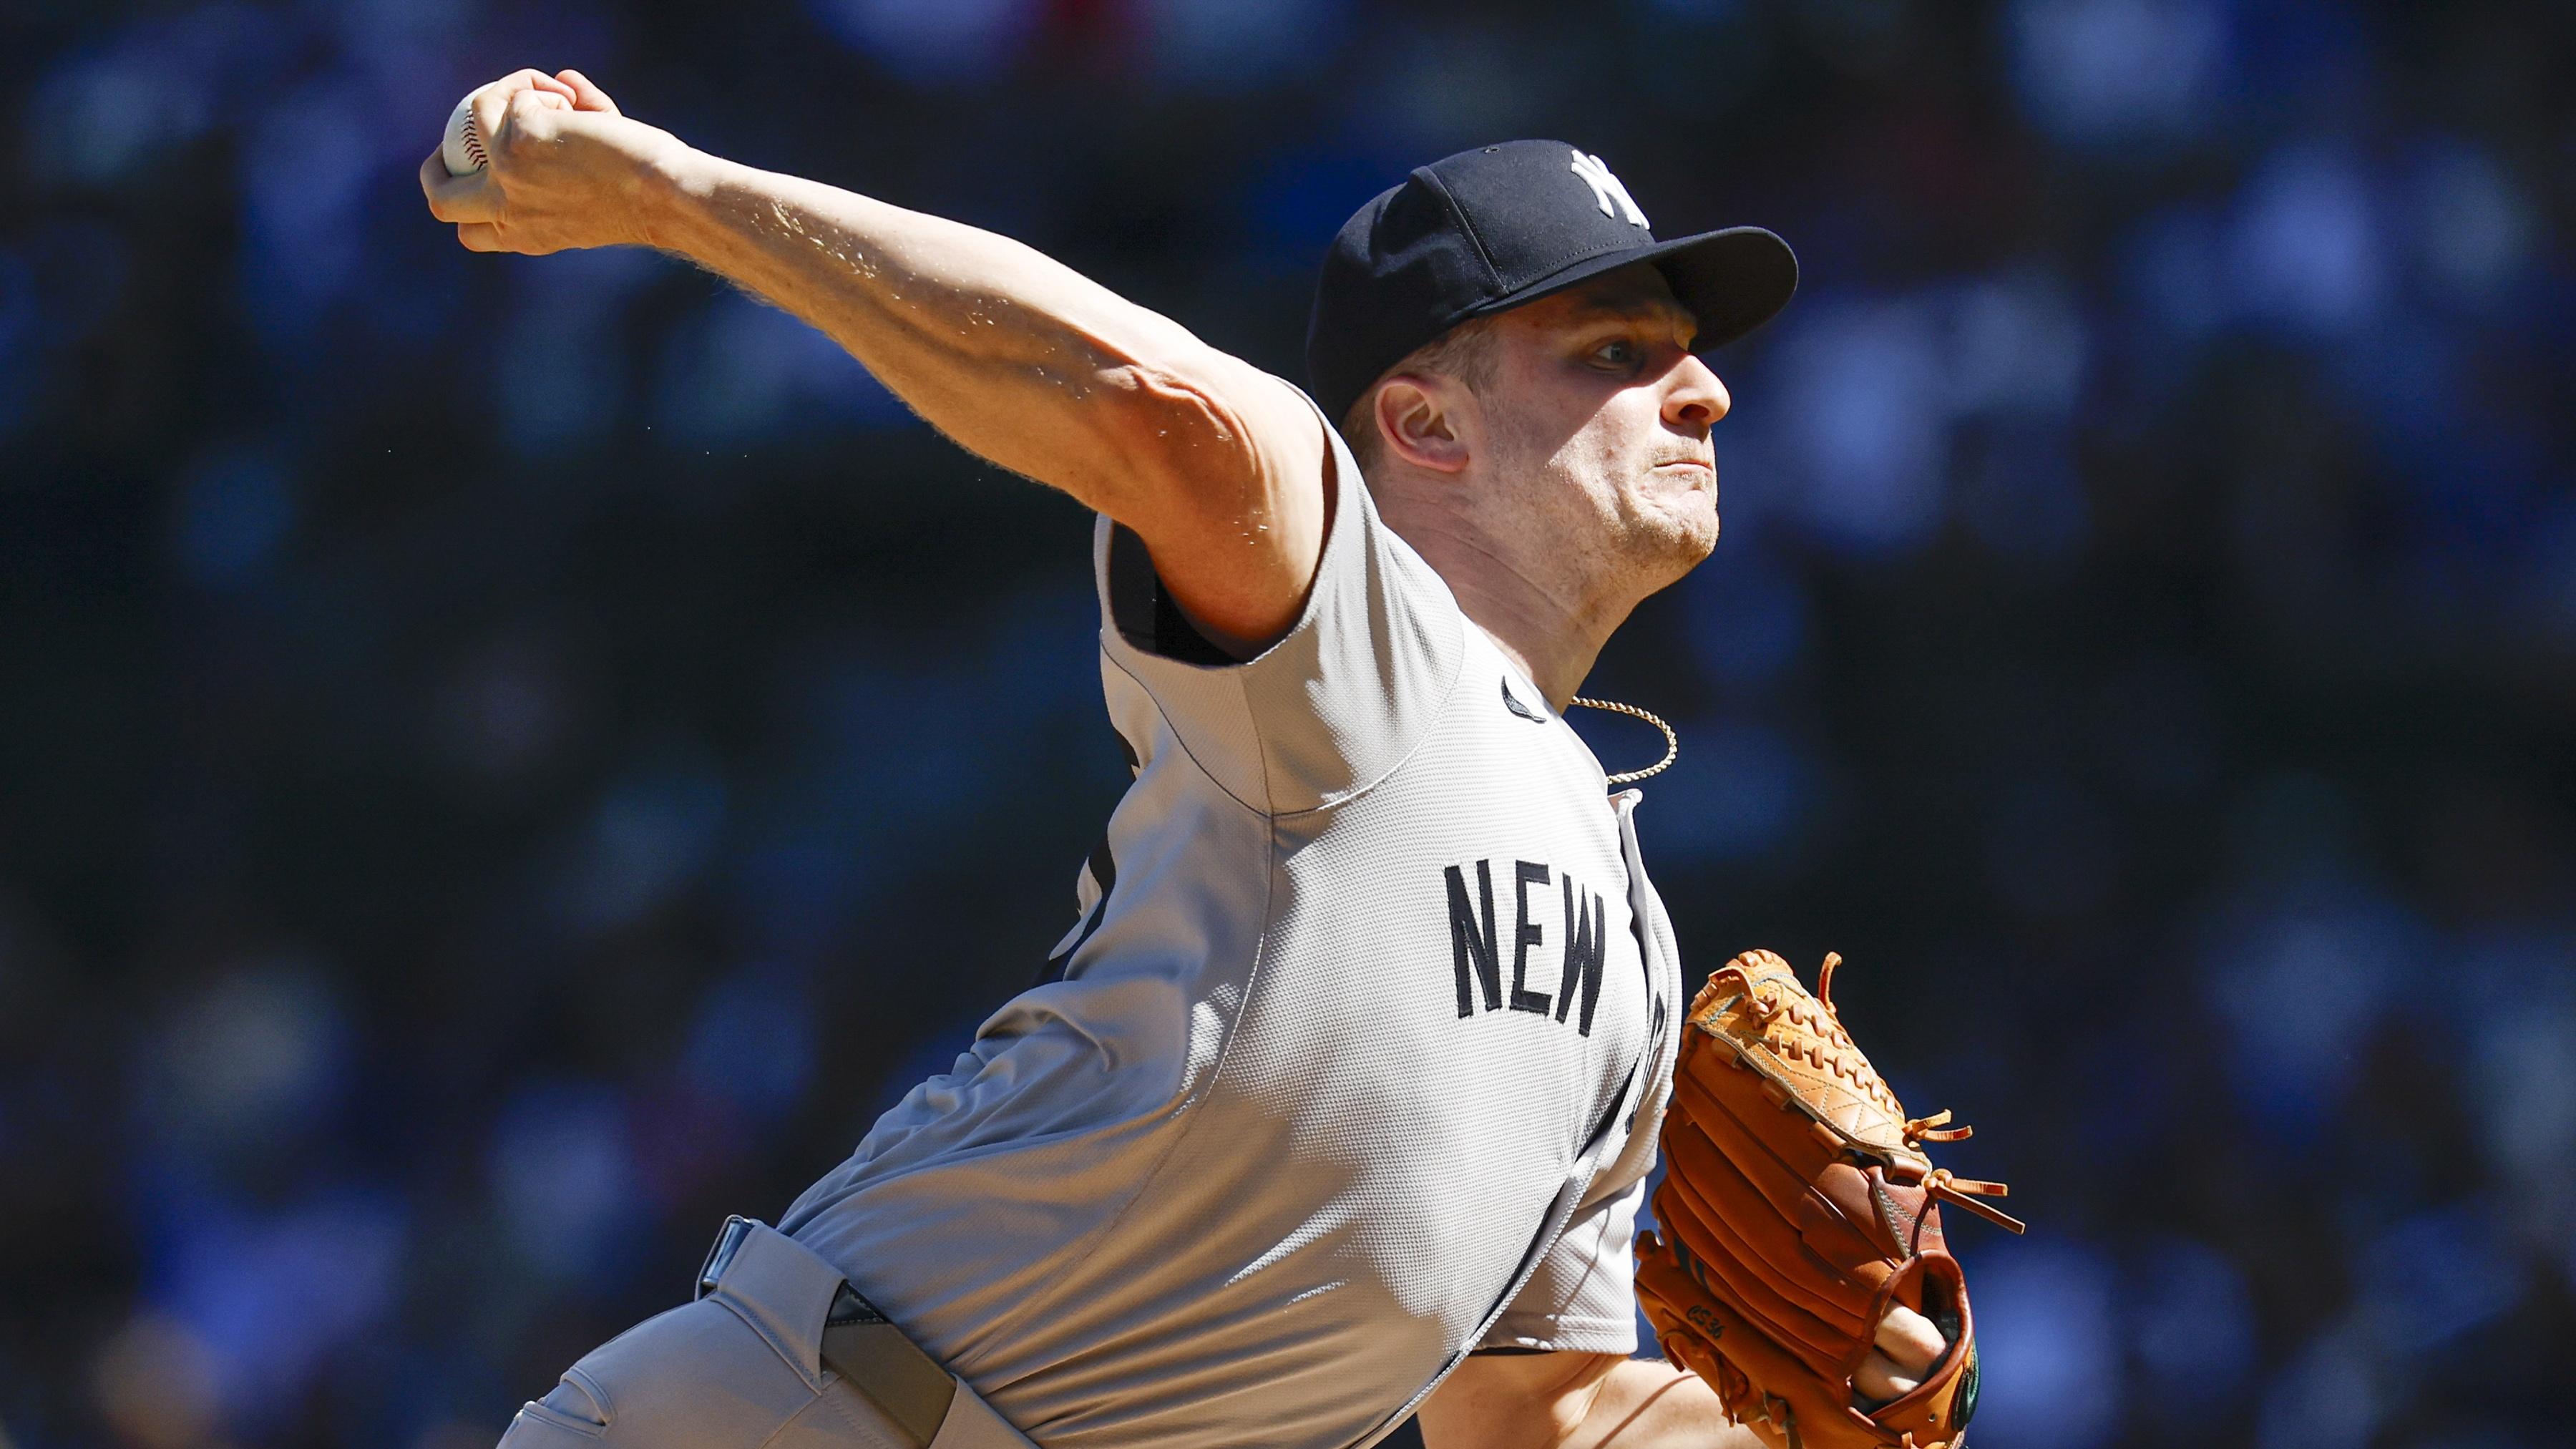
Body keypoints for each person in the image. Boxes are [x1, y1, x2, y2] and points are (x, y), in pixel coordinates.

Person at [424, 68, 1951, 1449]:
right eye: (1615, 350)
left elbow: (1541, 1406)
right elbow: (1149, 403)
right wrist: (674, 191)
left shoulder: (1626, 937)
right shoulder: (1363, 630)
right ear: (1421, 421)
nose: (1706, 389)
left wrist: (1811, 1428)